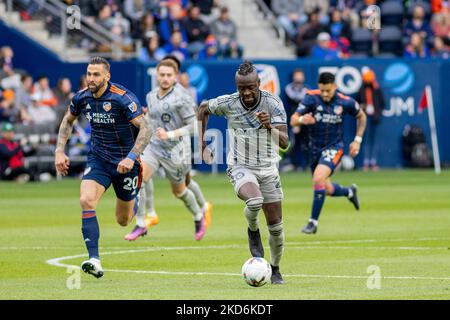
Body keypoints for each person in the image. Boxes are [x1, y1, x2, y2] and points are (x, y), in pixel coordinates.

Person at [54, 57, 151, 278]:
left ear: (107, 76)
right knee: (86, 200)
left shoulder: (122, 98)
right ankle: (94, 259)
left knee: (123, 221)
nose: (91, 78)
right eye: (89, 73)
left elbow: (146, 128)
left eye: (96, 74)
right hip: (98, 159)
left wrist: (131, 157)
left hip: (126, 164)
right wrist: (59, 150)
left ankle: (134, 199)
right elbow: (68, 120)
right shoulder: (81, 97)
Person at [197, 61, 289, 284]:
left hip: (268, 168)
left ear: (259, 84)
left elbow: (285, 143)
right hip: (240, 165)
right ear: (237, 86)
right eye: (241, 88)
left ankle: (275, 269)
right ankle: (252, 229)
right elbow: (202, 108)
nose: (246, 93)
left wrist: (270, 127)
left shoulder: (273, 104)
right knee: (255, 201)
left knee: (276, 227)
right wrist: (201, 145)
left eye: (251, 87)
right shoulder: (228, 103)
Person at [124, 59, 211, 241]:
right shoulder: (151, 95)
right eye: (162, 75)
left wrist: (170, 134)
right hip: (155, 147)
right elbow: (150, 119)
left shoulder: (183, 98)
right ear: (157, 75)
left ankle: (197, 216)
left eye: (169, 75)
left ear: (175, 77)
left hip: (177, 151)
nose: (165, 78)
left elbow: (195, 126)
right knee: (138, 178)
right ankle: (141, 224)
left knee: (179, 191)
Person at [290, 72, 366, 234]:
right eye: (322, 90)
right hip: (314, 149)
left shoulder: (345, 102)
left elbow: (362, 116)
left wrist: (357, 140)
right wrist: (303, 120)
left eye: (328, 91)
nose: (324, 94)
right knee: (327, 188)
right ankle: (349, 192)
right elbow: (293, 119)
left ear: (335, 88)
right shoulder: (311, 97)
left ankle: (312, 223)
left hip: (334, 147)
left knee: (318, 178)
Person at [355, 69, 385, 171]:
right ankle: (366, 162)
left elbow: (382, 104)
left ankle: (373, 162)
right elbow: (356, 104)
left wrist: (378, 114)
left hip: (374, 117)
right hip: (364, 117)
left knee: (374, 140)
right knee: (365, 140)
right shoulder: (361, 90)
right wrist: (362, 107)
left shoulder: (377, 89)